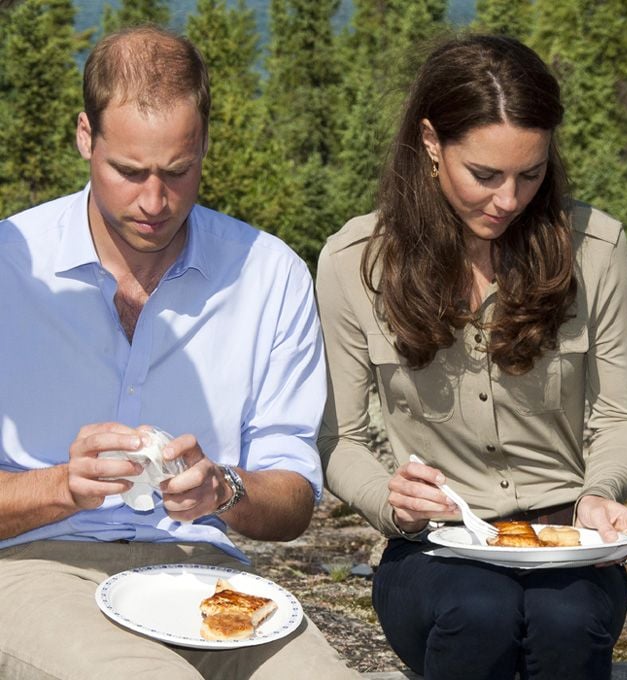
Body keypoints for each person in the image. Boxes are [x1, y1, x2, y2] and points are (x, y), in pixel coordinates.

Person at [0, 25, 361, 680]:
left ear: (204, 146)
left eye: (178, 170)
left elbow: (293, 498)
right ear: (86, 136)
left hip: (202, 570)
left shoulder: (270, 274)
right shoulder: (8, 268)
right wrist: (60, 486)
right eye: (128, 171)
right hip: (34, 567)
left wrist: (227, 489)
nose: (154, 201)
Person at [316, 33, 627, 680]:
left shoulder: (597, 247)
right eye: (485, 175)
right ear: (432, 144)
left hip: (566, 547)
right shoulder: (353, 262)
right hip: (433, 554)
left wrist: (600, 495)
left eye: (532, 174)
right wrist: (390, 499)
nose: (508, 200)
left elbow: (621, 421)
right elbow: (339, 440)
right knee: (480, 610)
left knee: (566, 618)